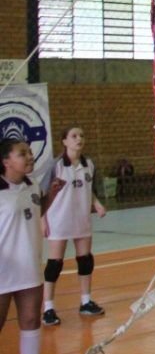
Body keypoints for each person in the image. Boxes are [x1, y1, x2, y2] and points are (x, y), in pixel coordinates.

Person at [1, 139, 61, 354]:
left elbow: (34, 213)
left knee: (31, 321)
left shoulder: (32, 184)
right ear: (6, 161)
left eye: (29, 152)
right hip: (3, 270)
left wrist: (52, 197)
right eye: (22, 154)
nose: (29, 156)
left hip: (29, 268)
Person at [41, 126, 106, 327]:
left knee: (85, 261)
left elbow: (88, 189)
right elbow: (43, 194)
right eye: (74, 136)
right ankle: (48, 308)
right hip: (59, 220)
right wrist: (42, 219)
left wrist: (96, 203)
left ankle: (86, 302)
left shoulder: (89, 164)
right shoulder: (57, 166)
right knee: (54, 264)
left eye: (81, 135)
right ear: (64, 141)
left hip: (82, 220)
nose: (79, 139)